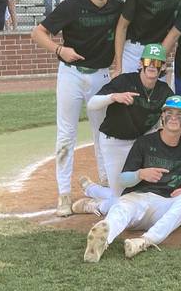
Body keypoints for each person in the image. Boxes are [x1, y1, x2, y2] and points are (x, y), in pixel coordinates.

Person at [30, 0, 123, 216]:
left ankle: (105, 182)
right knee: (66, 134)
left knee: (102, 131)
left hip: (101, 75)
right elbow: (38, 33)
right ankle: (64, 193)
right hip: (71, 75)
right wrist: (60, 50)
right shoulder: (73, 5)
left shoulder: (117, 5)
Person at [83, 95, 181, 262]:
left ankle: (144, 241)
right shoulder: (144, 143)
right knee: (120, 209)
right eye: (169, 112)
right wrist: (140, 174)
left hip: (163, 207)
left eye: (180, 114)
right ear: (162, 116)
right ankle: (100, 243)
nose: (174, 118)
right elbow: (123, 180)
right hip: (137, 199)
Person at [73, 43, 175, 216]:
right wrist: (114, 97)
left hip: (141, 143)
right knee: (122, 197)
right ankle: (93, 204)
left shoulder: (164, 90)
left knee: (145, 190)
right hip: (115, 143)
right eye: (149, 61)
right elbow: (92, 104)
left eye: (157, 63)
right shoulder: (125, 81)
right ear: (141, 63)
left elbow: (176, 112)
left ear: (163, 67)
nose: (152, 66)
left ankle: (93, 189)